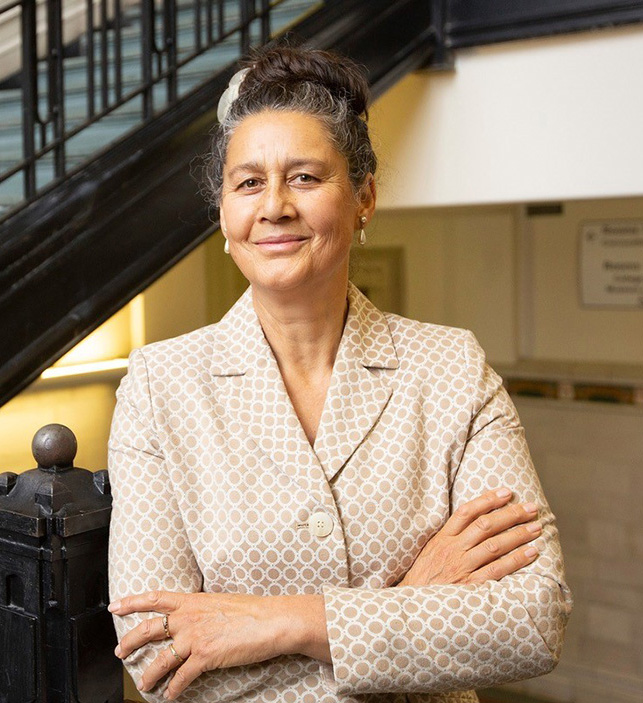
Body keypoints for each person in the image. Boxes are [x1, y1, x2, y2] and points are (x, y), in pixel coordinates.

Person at [107, 45, 572, 703]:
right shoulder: (160, 385)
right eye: (247, 182)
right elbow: (156, 654)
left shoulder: (451, 368)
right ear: (223, 216)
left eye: (303, 177)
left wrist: (276, 621)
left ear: (364, 198)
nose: (273, 205)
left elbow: (530, 619)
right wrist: (415, 599)